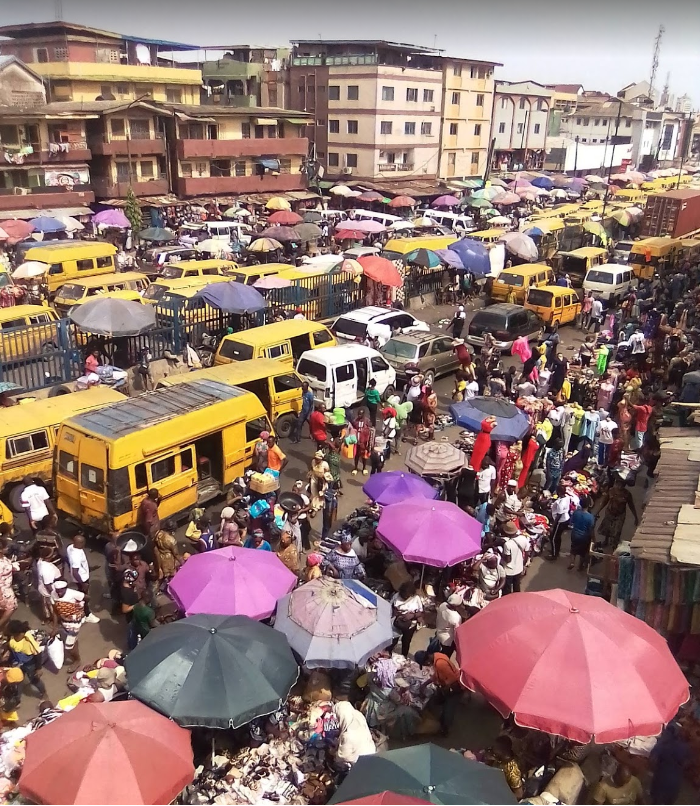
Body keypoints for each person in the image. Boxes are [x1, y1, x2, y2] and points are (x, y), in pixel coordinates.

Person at [420, 650, 462, 736]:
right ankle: (437, 718)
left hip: (455, 688)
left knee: (448, 709)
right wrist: (426, 683)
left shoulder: (440, 663)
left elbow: (453, 678)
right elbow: (437, 674)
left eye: (425, 664)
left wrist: (444, 688)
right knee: (434, 699)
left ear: (427, 661)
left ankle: (445, 730)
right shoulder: (436, 656)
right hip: (447, 686)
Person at [649, 723, 690, 805]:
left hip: (661, 777)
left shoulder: (666, 743)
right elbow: (686, 764)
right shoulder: (687, 749)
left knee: (657, 800)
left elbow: (652, 759)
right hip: (675, 780)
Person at [50, 580, 86, 673]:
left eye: (61, 590)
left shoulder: (74, 594)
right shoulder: (53, 594)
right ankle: (75, 647)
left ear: (66, 588)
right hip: (64, 622)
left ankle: (77, 660)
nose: (59, 593)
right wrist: (55, 627)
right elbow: (55, 611)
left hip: (75, 622)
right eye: (57, 590)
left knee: (68, 647)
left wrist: (80, 609)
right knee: (73, 640)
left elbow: (87, 597)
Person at [596, 475, 639, 549]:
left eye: (621, 485)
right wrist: (598, 511)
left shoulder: (627, 494)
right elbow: (605, 502)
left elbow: (631, 506)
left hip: (620, 515)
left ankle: (614, 545)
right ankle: (606, 541)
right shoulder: (611, 491)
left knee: (617, 531)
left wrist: (635, 517)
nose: (619, 487)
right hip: (610, 512)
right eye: (618, 484)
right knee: (607, 528)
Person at [66, 533, 100, 623]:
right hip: (82, 578)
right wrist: (83, 583)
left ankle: (81, 612)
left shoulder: (70, 547)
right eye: (83, 542)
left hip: (80, 576)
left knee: (80, 596)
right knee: (84, 597)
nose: (84, 544)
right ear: (80, 543)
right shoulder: (76, 556)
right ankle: (87, 614)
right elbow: (75, 571)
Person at [7, 620, 46, 697]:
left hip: (30, 664)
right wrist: (9, 661)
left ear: (16, 633)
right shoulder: (12, 638)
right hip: (18, 662)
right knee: (18, 680)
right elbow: (12, 650)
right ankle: (17, 698)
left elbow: (37, 653)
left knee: (35, 680)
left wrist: (38, 668)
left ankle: (44, 693)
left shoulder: (28, 640)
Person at [333, 702, 376, 769]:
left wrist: (334, 754)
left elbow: (343, 757)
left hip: (358, 763)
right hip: (371, 753)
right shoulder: (358, 715)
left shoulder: (348, 735)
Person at [391, 580, 423, 656]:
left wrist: (412, 615)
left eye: (407, 595)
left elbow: (421, 612)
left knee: (406, 642)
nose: (405, 596)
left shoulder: (416, 598)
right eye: (404, 595)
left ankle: (404, 657)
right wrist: (397, 613)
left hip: (410, 625)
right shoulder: (396, 596)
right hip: (397, 623)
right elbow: (390, 607)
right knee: (393, 641)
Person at [569, 497, 595, 571]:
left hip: (575, 534)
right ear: (589, 505)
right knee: (583, 553)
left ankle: (572, 562)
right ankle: (580, 566)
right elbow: (591, 529)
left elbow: (571, 522)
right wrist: (594, 539)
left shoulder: (576, 512)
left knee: (573, 549)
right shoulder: (590, 517)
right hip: (584, 537)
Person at [36, 545, 61, 622]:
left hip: (42, 588)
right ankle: (54, 621)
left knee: (45, 605)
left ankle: (47, 618)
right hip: (48, 590)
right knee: (52, 606)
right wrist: (54, 593)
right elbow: (48, 584)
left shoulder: (40, 562)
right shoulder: (47, 569)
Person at [502, 521, 529, 594]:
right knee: (517, 587)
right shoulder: (524, 538)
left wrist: (502, 556)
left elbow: (508, 560)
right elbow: (527, 553)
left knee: (507, 590)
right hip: (519, 568)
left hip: (509, 571)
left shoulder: (507, 544)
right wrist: (523, 564)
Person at [549, 486, 571, 561]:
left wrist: (553, 525)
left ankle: (554, 555)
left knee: (553, 538)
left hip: (560, 521)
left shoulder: (561, 503)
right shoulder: (567, 497)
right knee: (558, 537)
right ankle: (556, 550)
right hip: (565, 519)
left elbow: (559, 515)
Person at [352, 409, 373, 475]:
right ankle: (355, 468)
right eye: (358, 414)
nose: (359, 415)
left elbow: (370, 430)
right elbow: (353, 429)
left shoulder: (367, 421)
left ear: (363, 414)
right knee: (356, 455)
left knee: (364, 456)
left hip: (364, 442)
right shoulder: (355, 420)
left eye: (360, 414)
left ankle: (364, 468)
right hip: (357, 442)